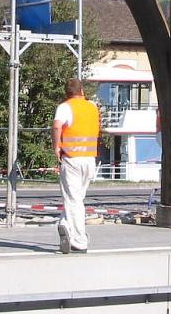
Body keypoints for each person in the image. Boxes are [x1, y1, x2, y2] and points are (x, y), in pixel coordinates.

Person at [52, 78, 100, 254]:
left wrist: (56, 146)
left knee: (73, 200)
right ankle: (65, 224)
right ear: (82, 91)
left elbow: (57, 126)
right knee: (77, 198)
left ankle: (79, 241)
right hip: (90, 159)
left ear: (67, 93)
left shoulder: (65, 107)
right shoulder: (93, 106)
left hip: (72, 158)